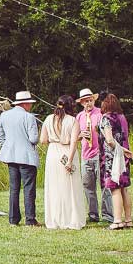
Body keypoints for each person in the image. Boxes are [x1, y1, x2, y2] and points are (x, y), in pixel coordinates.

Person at [40, 95, 85, 230]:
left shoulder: (48, 119)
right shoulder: (72, 121)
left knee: (54, 187)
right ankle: (71, 218)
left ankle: (55, 218)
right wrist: (69, 161)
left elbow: (42, 140)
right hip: (66, 152)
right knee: (70, 187)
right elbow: (73, 144)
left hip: (53, 153)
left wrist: (54, 139)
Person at [0, 91, 40, 227]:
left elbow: (1, 138)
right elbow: (34, 138)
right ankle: (30, 219)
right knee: (28, 189)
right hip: (26, 156)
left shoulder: (4, 115)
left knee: (14, 189)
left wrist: (8, 148)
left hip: (11, 156)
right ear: (25, 104)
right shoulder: (29, 117)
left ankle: (13, 219)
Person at [98, 93, 133, 229]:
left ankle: (117, 220)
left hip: (112, 158)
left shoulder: (106, 119)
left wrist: (120, 149)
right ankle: (128, 219)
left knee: (115, 188)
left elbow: (109, 139)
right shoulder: (122, 118)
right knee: (124, 188)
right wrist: (125, 151)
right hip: (125, 158)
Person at [75, 88, 108, 224]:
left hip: (99, 154)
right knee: (88, 186)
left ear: (94, 100)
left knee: (105, 185)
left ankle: (107, 215)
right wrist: (81, 135)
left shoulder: (101, 113)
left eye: (90, 100)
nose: (88, 103)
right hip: (85, 155)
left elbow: (107, 134)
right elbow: (74, 137)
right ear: (82, 103)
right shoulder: (79, 117)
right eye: (86, 101)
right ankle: (93, 214)